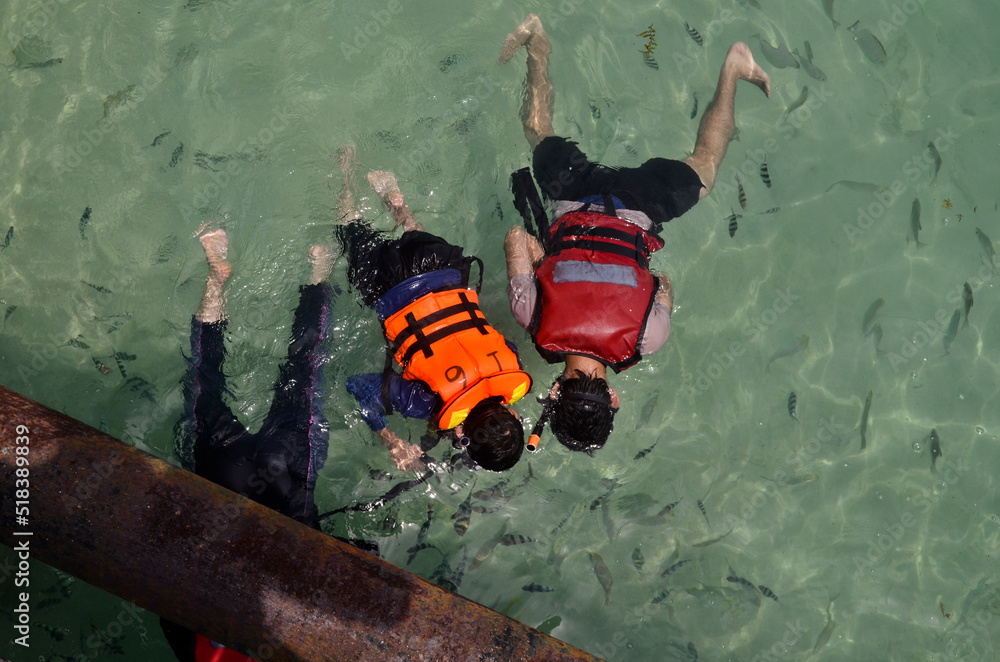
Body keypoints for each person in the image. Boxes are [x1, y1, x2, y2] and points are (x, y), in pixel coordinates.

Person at [500, 13, 771, 453]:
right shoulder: (531, 316)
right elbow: (515, 235)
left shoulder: (650, 338)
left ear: (615, 398)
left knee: (705, 167)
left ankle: (733, 70)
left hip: (642, 205)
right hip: (570, 194)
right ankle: (536, 40)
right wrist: (542, 259)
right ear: (553, 393)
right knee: (536, 132)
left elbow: (661, 281)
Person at [161, 229, 338, 662]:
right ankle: (216, 278)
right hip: (222, 478)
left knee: (305, 369)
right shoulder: (194, 653)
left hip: (285, 481)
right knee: (204, 381)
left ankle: (319, 271)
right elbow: (170, 609)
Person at [335, 146, 532, 473]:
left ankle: (395, 201)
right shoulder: (425, 403)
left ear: (512, 414)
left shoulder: (511, 368)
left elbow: (497, 342)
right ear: (463, 435)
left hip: (441, 264)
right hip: (390, 283)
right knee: (348, 222)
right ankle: (344, 171)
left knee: (414, 232)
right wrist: (391, 440)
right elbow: (358, 385)